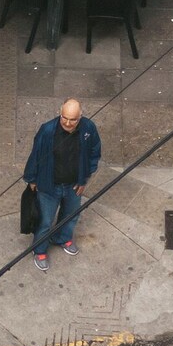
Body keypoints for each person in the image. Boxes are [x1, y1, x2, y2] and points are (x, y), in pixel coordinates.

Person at [24, 98, 102, 271]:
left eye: (73, 119)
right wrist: (32, 179)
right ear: (60, 114)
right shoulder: (47, 130)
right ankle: (40, 250)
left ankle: (62, 238)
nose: (67, 123)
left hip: (74, 186)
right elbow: (35, 154)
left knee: (71, 215)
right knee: (45, 221)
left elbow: (94, 153)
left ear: (80, 117)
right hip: (49, 186)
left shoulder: (88, 128)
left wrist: (84, 179)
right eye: (64, 118)